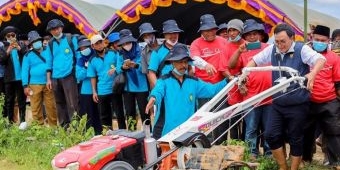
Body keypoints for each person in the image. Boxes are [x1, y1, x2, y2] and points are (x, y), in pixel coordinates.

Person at [244, 23, 326, 170]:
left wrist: (312, 74)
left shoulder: (302, 49)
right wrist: (245, 73)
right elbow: (255, 60)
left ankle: (293, 168)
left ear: (292, 39)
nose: (280, 45)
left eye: (283, 41)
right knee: (271, 135)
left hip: (298, 104)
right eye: (277, 41)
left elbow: (320, 60)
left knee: (296, 137)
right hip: (278, 103)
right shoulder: (272, 49)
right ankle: (283, 167)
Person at [145, 43, 228, 138]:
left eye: (185, 62)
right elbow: (157, 91)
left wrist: (228, 80)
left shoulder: (194, 82)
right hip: (165, 132)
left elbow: (213, 90)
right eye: (179, 62)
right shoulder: (163, 81)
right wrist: (153, 98)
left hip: (187, 132)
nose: (183, 65)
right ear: (172, 62)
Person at [228, 19, 271, 158]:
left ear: (260, 35)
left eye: (255, 33)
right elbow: (232, 66)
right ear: (244, 37)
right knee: (251, 128)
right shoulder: (243, 50)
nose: (252, 37)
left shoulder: (269, 47)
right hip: (251, 96)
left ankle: (269, 153)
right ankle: (251, 153)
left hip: (270, 96)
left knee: (268, 128)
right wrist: (239, 52)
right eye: (248, 34)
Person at [302, 25, 340, 169]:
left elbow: (338, 82)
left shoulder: (334, 58)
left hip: (329, 101)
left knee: (334, 132)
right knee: (306, 131)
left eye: (322, 40)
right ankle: (306, 158)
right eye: (317, 39)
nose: (319, 42)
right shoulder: (305, 56)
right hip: (307, 100)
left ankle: (335, 162)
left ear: (328, 40)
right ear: (312, 38)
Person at [189, 14, 229, 144]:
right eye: (207, 30)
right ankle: (206, 144)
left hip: (221, 86)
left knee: (221, 117)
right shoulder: (196, 43)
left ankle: (221, 143)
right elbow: (194, 59)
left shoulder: (223, 41)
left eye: (212, 29)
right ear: (201, 31)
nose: (211, 32)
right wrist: (205, 65)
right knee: (205, 118)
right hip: (203, 88)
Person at [46, 19, 79, 127]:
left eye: (57, 28)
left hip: (69, 75)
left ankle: (76, 127)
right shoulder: (50, 44)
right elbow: (49, 62)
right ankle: (64, 127)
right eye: (52, 30)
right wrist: (48, 79)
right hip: (55, 77)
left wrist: (77, 74)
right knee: (59, 103)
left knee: (72, 103)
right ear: (50, 32)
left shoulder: (71, 39)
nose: (55, 31)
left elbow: (78, 57)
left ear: (61, 28)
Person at [21, 31, 57, 127]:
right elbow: (24, 71)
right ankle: (39, 128)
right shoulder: (27, 55)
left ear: (41, 41)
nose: (36, 42)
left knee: (51, 106)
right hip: (34, 84)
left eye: (38, 40)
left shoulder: (49, 50)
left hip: (48, 82)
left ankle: (54, 127)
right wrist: (25, 86)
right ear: (31, 44)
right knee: (36, 107)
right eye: (34, 41)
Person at [87, 34, 123, 129]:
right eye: (96, 44)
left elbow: (120, 66)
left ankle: (124, 135)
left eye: (100, 42)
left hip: (115, 88)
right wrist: (94, 92)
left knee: (120, 114)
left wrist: (115, 69)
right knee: (104, 116)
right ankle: (108, 136)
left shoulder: (114, 53)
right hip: (102, 90)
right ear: (92, 46)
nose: (99, 45)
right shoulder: (92, 60)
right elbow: (92, 76)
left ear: (104, 43)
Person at [116, 29, 149, 131]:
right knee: (130, 113)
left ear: (133, 41)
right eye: (124, 43)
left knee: (145, 112)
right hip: (128, 88)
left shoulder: (141, 50)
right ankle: (132, 135)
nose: (126, 45)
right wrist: (123, 67)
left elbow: (145, 67)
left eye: (128, 42)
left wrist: (136, 65)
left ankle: (148, 133)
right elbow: (117, 69)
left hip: (142, 87)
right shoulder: (120, 54)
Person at [221, 19, 246, 140]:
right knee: (234, 117)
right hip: (233, 85)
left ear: (240, 31)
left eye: (234, 30)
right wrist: (231, 78)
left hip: (247, 85)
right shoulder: (226, 46)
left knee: (247, 117)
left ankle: (248, 145)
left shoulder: (247, 44)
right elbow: (223, 67)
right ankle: (236, 143)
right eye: (229, 30)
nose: (231, 33)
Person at [0, 26, 27, 128]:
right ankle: (10, 122)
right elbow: (1, 60)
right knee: (9, 100)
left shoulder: (21, 44)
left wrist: (19, 48)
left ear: (16, 36)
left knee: (21, 100)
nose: (11, 37)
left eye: (13, 35)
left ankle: (23, 121)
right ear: (6, 37)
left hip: (21, 78)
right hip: (9, 79)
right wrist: (9, 50)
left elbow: (27, 55)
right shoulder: (3, 48)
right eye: (8, 35)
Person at [76, 38, 102, 134]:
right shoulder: (80, 60)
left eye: (86, 47)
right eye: (82, 48)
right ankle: (88, 134)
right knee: (87, 115)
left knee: (99, 114)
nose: (84, 50)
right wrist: (87, 69)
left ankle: (100, 132)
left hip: (99, 89)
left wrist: (89, 69)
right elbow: (79, 76)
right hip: (86, 91)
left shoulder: (96, 57)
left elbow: (99, 71)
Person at [148, 19, 183, 89]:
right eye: (170, 33)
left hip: (184, 88)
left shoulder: (184, 48)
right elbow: (151, 73)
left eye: (176, 32)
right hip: (167, 89)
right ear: (164, 34)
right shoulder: (156, 52)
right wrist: (159, 87)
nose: (173, 35)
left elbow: (190, 69)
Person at [138, 22, 160, 87]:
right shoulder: (143, 52)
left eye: (149, 34)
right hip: (157, 82)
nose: (147, 37)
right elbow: (147, 73)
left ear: (154, 34)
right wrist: (153, 89)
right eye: (144, 36)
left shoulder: (165, 44)